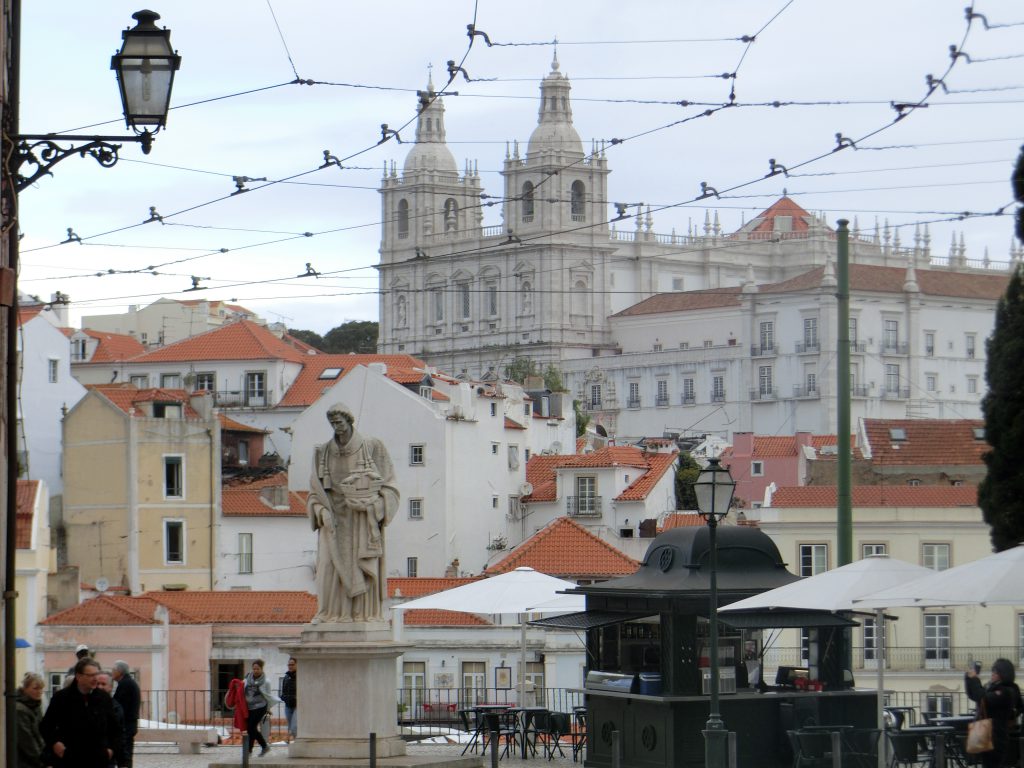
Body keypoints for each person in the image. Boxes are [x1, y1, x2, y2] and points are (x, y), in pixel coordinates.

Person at [307, 403, 399, 623]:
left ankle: (362, 614)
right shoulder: (322, 452)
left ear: (349, 421)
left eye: (339, 422)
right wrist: (321, 513)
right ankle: (331, 614)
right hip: (333, 521)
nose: (336, 427)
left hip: (361, 520)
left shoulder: (372, 447)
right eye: (332, 423)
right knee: (328, 569)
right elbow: (313, 495)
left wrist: (372, 507)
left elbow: (391, 488)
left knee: (361, 567)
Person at [41, 657, 121, 767]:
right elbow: (46, 726)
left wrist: (110, 750)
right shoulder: (62, 698)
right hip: (69, 759)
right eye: (90, 675)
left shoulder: (104, 698)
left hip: (98, 759)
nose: (95, 679)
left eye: (96, 674)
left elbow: (115, 728)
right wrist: (55, 744)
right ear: (79, 676)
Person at [965, 658, 1023, 768]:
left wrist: (975, 679)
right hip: (987, 733)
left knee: (992, 764)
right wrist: (969, 679)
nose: (992, 674)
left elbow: (982, 697)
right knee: (987, 764)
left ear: (1004, 674)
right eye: (993, 671)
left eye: (996, 672)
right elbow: (975, 695)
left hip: (996, 735)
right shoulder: (992, 687)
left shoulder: (1006, 690)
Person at [243, 659, 280, 757]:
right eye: (254, 669)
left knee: (250, 727)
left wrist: (268, 709)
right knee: (251, 728)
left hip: (260, 707)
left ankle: (259, 747)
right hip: (249, 707)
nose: (255, 671)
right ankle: (254, 749)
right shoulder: (247, 679)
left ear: (261, 669)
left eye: (257, 669)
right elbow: (242, 689)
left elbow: (268, 696)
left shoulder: (266, 682)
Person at [95, 671, 128, 768]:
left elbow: (120, 735)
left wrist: (123, 762)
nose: (100, 687)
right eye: (97, 684)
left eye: (103, 684)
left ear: (110, 687)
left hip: (107, 758)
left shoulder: (116, 708)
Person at [110, 661, 139, 768]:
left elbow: (119, 707)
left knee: (125, 755)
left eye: (114, 670)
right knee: (126, 754)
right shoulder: (128, 683)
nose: (112, 672)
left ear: (119, 671)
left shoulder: (125, 684)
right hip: (130, 725)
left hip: (126, 725)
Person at [16, 672, 45, 768]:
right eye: (35, 688)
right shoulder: (20, 710)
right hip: (24, 762)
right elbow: (27, 741)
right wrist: (43, 762)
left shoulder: (35, 705)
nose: (39, 691)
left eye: (41, 688)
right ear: (25, 689)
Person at [280, 657, 297, 741]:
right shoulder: (286, 677)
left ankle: (298, 742)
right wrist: (283, 697)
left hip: (297, 706)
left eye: (292, 664)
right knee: (291, 727)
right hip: (288, 705)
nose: (290, 666)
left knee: (294, 727)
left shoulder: (300, 676)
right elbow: (283, 691)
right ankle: (296, 742)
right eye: (289, 665)